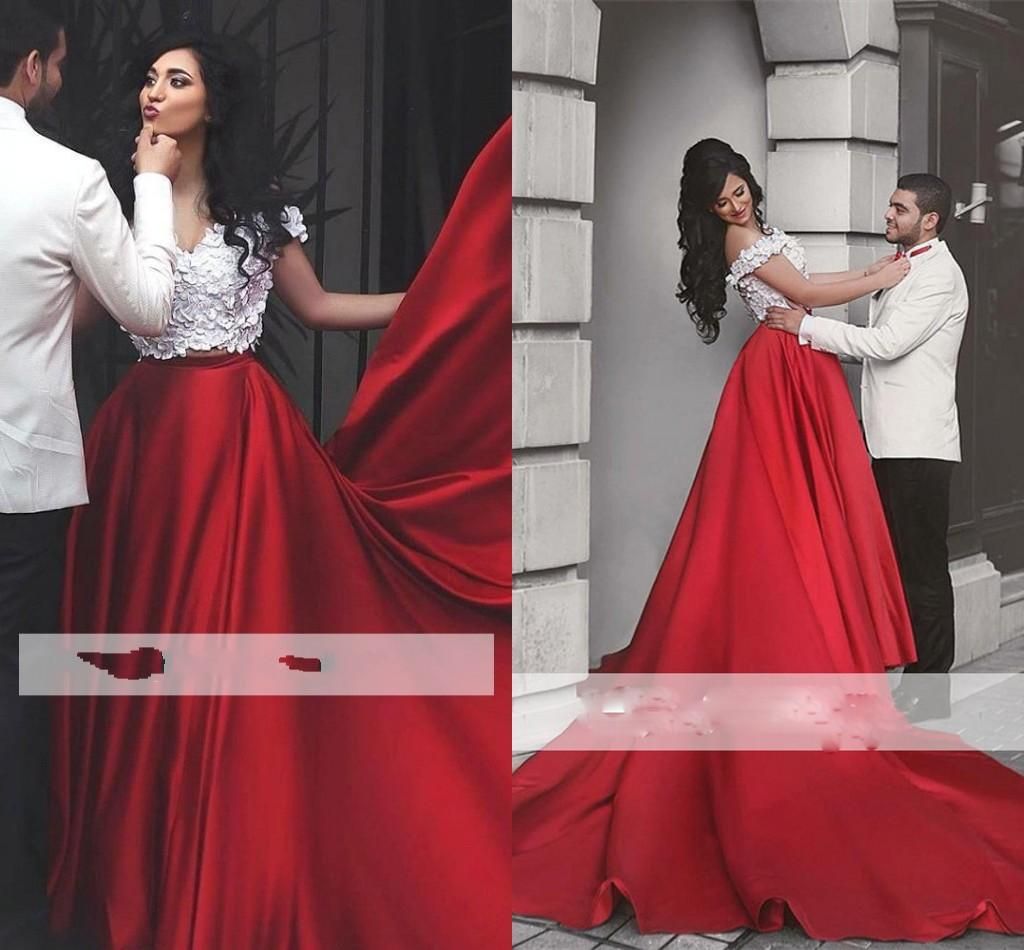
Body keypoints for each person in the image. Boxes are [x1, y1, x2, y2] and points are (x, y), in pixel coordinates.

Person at [48, 29, 511, 950]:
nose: (152, 92)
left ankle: (226, 863)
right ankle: (140, 870)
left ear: (211, 104)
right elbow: (89, 309)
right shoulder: (111, 200)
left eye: (174, 80)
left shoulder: (258, 217)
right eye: (148, 78)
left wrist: (447, 302)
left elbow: (326, 310)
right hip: (142, 445)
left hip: (233, 439)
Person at [512, 139, 1024, 941]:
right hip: (782, 377)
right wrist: (876, 279)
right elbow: (809, 292)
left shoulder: (885, 260)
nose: (735, 203)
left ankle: (917, 701)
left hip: (811, 375)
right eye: (719, 198)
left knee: (870, 546)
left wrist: (835, 310)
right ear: (709, 209)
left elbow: (830, 315)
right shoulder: (747, 245)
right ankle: (871, 685)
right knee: (774, 524)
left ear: (751, 180)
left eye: (739, 188)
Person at [0, 0, 182, 943]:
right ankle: (17, 909)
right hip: (17, 486)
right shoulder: (67, 177)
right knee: (14, 695)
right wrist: (148, 185)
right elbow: (150, 308)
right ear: (33, 68)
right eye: (59, 65)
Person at [765, 174, 967, 721]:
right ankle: (909, 682)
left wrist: (807, 327)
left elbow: (885, 345)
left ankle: (929, 695)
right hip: (888, 442)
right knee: (898, 566)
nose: (888, 216)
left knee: (922, 569)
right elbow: (874, 350)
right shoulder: (904, 267)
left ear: (929, 219)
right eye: (889, 207)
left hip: (919, 446)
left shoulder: (939, 276)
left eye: (899, 210)